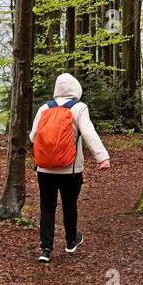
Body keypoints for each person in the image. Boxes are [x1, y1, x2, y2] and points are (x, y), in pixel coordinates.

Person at [29, 72, 109, 263]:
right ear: (76, 88)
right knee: (69, 205)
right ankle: (71, 241)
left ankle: (45, 249)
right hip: (70, 170)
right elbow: (89, 133)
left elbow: (33, 136)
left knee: (47, 208)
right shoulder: (79, 108)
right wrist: (102, 157)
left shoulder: (43, 108)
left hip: (44, 169)